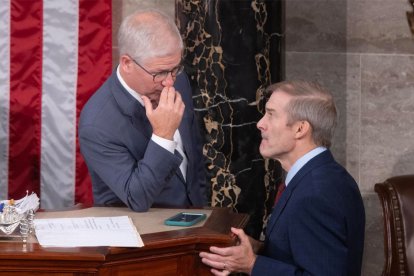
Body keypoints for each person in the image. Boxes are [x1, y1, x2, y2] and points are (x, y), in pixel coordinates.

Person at [199, 80, 365, 275]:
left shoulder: (315, 194)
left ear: (300, 129)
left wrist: (252, 265)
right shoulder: (323, 176)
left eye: (271, 114)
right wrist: (260, 249)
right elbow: (302, 253)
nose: (260, 124)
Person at [78, 9, 207, 212]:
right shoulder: (96, 124)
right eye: (160, 73)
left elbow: (195, 160)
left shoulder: (176, 79)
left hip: (195, 223)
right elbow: (137, 197)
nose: (170, 82)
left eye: (175, 69)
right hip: (145, 237)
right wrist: (163, 136)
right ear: (127, 63)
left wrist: (202, 211)